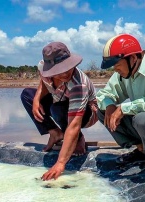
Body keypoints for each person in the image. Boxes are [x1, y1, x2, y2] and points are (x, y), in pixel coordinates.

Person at [21, 41, 98, 180]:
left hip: (87, 113)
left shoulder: (78, 84)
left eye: (67, 68)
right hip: (60, 101)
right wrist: (37, 99)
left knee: (58, 108)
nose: (64, 74)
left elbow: (74, 124)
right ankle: (55, 133)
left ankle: (79, 138)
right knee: (27, 95)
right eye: (58, 71)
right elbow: (44, 83)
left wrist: (60, 163)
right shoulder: (42, 67)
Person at [96, 33, 145, 164]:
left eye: (117, 65)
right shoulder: (124, 74)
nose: (116, 69)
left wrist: (124, 108)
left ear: (133, 58)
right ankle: (142, 149)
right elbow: (102, 96)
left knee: (142, 119)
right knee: (103, 112)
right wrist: (109, 105)